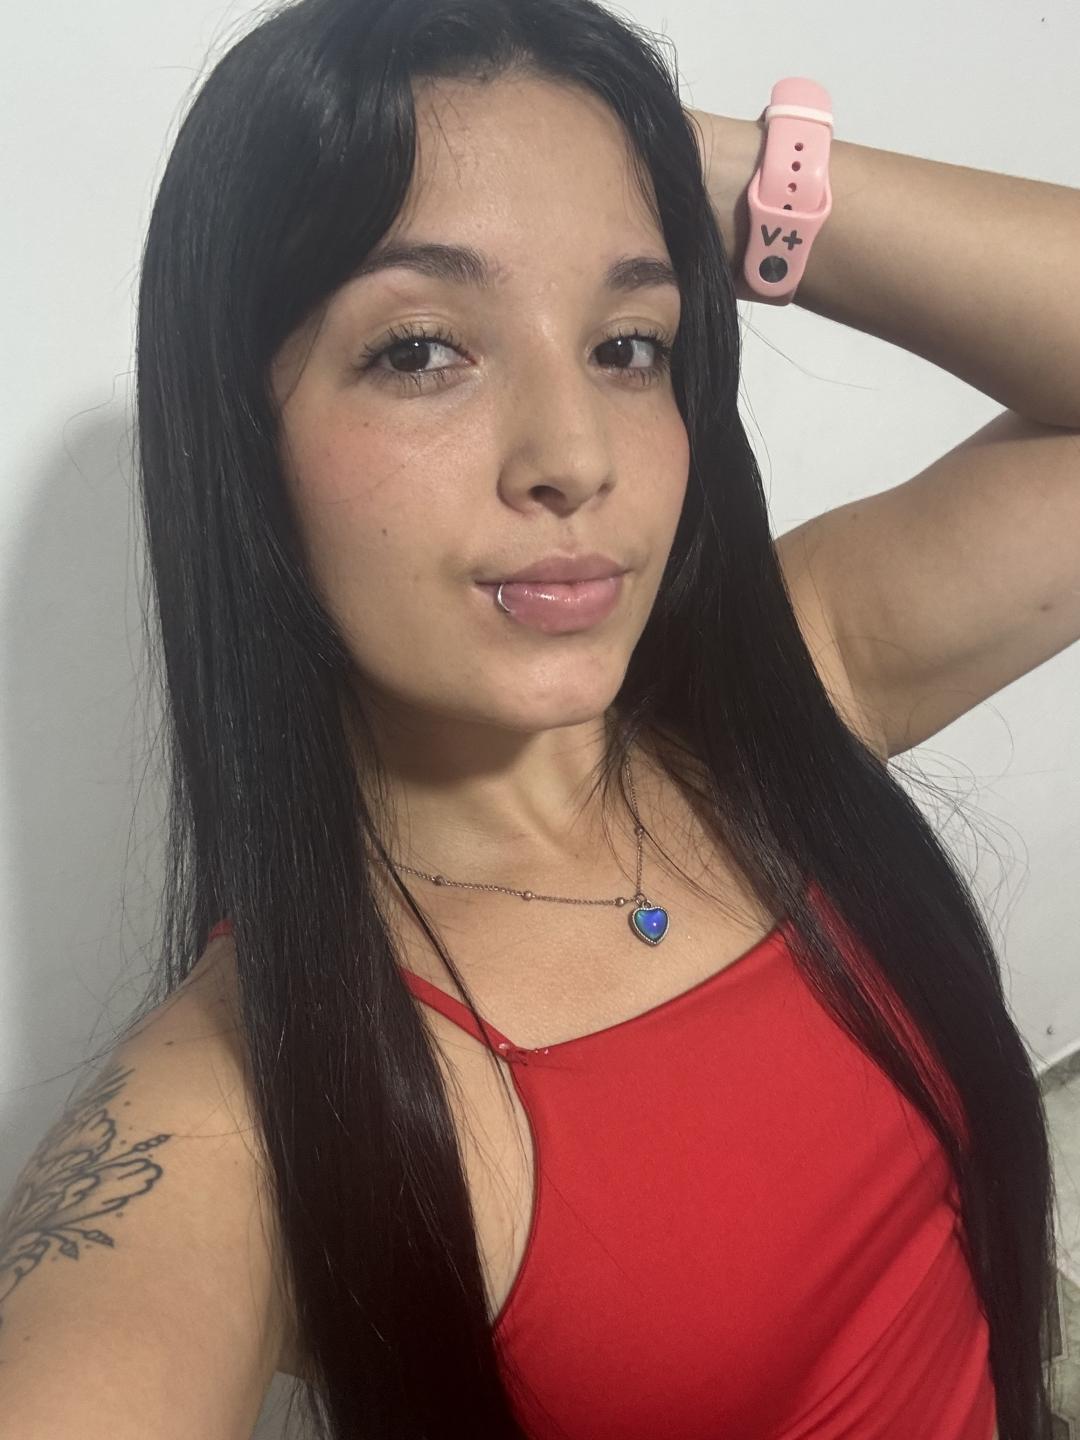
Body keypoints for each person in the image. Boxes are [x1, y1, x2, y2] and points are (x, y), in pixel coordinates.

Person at [5, 0, 1074, 1436]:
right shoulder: (258, 1104)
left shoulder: (786, 688)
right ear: (244, 439)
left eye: (628, 343)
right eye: (421, 350)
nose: (575, 456)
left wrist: (703, 172)